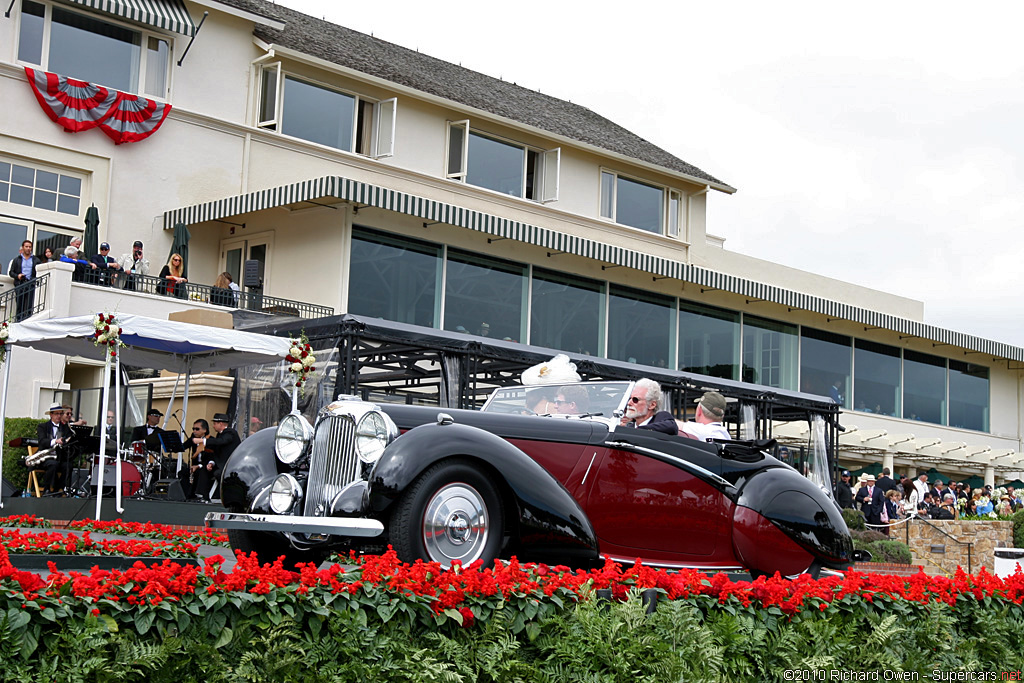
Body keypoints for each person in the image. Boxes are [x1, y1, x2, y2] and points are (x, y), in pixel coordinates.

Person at [191, 413, 240, 501]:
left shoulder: (230, 432)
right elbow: (217, 452)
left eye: (215, 423)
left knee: (218, 474)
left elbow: (222, 441)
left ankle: (221, 496)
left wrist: (203, 441)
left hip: (230, 465)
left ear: (220, 423)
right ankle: (203, 495)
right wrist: (211, 463)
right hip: (220, 464)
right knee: (204, 470)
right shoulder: (220, 435)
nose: (213, 426)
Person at [35, 402, 74, 493]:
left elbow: (69, 440)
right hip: (45, 458)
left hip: (59, 457)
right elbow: (42, 441)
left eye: (60, 413)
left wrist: (67, 442)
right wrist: (55, 441)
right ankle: (47, 489)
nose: (59, 416)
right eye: (57, 413)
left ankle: (59, 489)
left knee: (68, 465)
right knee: (53, 464)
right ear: (51, 415)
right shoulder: (43, 427)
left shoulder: (65, 428)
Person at [9, 239, 42, 322]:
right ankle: (19, 321)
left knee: (29, 305)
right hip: (20, 283)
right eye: (26, 247)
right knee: (20, 304)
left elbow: (40, 271)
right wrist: (18, 276)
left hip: (31, 283)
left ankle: (27, 321)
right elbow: (11, 272)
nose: (28, 248)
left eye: (30, 247)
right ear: (23, 248)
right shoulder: (17, 259)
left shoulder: (36, 260)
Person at [179, 419, 211, 500]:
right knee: (182, 473)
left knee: (200, 472)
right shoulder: (193, 439)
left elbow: (211, 458)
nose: (194, 431)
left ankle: (200, 495)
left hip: (205, 466)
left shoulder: (210, 441)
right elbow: (182, 447)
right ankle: (185, 495)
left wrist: (199, 466)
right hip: (194, 466)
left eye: (197, 429)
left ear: (205, 430)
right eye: (193, 429)